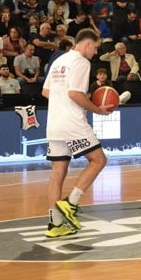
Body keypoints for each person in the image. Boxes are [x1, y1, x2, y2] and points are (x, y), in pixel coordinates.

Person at [41, 28, 112, 238]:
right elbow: (74, 94)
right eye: (96, 47)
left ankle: (55, 224)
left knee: (58, 171)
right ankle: (70, 204)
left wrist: (62, 101)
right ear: (88, 44)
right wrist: (97, 109)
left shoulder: (58, 61)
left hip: (54, 122)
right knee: (98, 160)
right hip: (72, 122)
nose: (95, 52)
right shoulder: (81, 61)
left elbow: (46, 92)